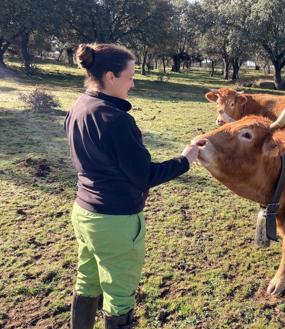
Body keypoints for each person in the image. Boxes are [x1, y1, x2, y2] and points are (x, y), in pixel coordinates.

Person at [64, 43, 199, 329]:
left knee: (87, 281)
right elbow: (145, 175)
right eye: (130, 76)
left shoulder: (78, 106)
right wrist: (185, 160)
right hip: (115, 222)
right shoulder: (117, 120)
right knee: (119, 296)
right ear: (111, 77)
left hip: (83, 212)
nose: (133, 83)